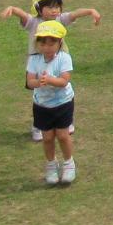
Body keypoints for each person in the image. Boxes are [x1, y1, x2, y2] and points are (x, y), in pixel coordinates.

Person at [0, 0, 99, 144]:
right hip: (38, 63)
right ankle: (38, 126)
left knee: (63, 87)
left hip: (58, 61)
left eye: (57, 7)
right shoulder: (34, 22)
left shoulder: (60, 19)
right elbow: (23, 15)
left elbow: (74, 14)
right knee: (40, 92)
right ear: (39, 8)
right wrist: (12, 9)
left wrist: (91, 11)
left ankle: (66, 121)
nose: (54, 11)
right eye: (50, 7)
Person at [25, 23, 76, 185]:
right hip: (42, 105)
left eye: (51, 43)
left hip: (63, 103)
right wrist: (38, 82)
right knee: (47, 138)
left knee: (62, 135)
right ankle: (51, 165)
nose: (47, 47)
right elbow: (29, 82)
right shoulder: (34, 59)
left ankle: (69, 163)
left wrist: (50, 80)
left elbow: (64, 81)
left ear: (59, 43)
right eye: (43, 43)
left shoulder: (64, 58)